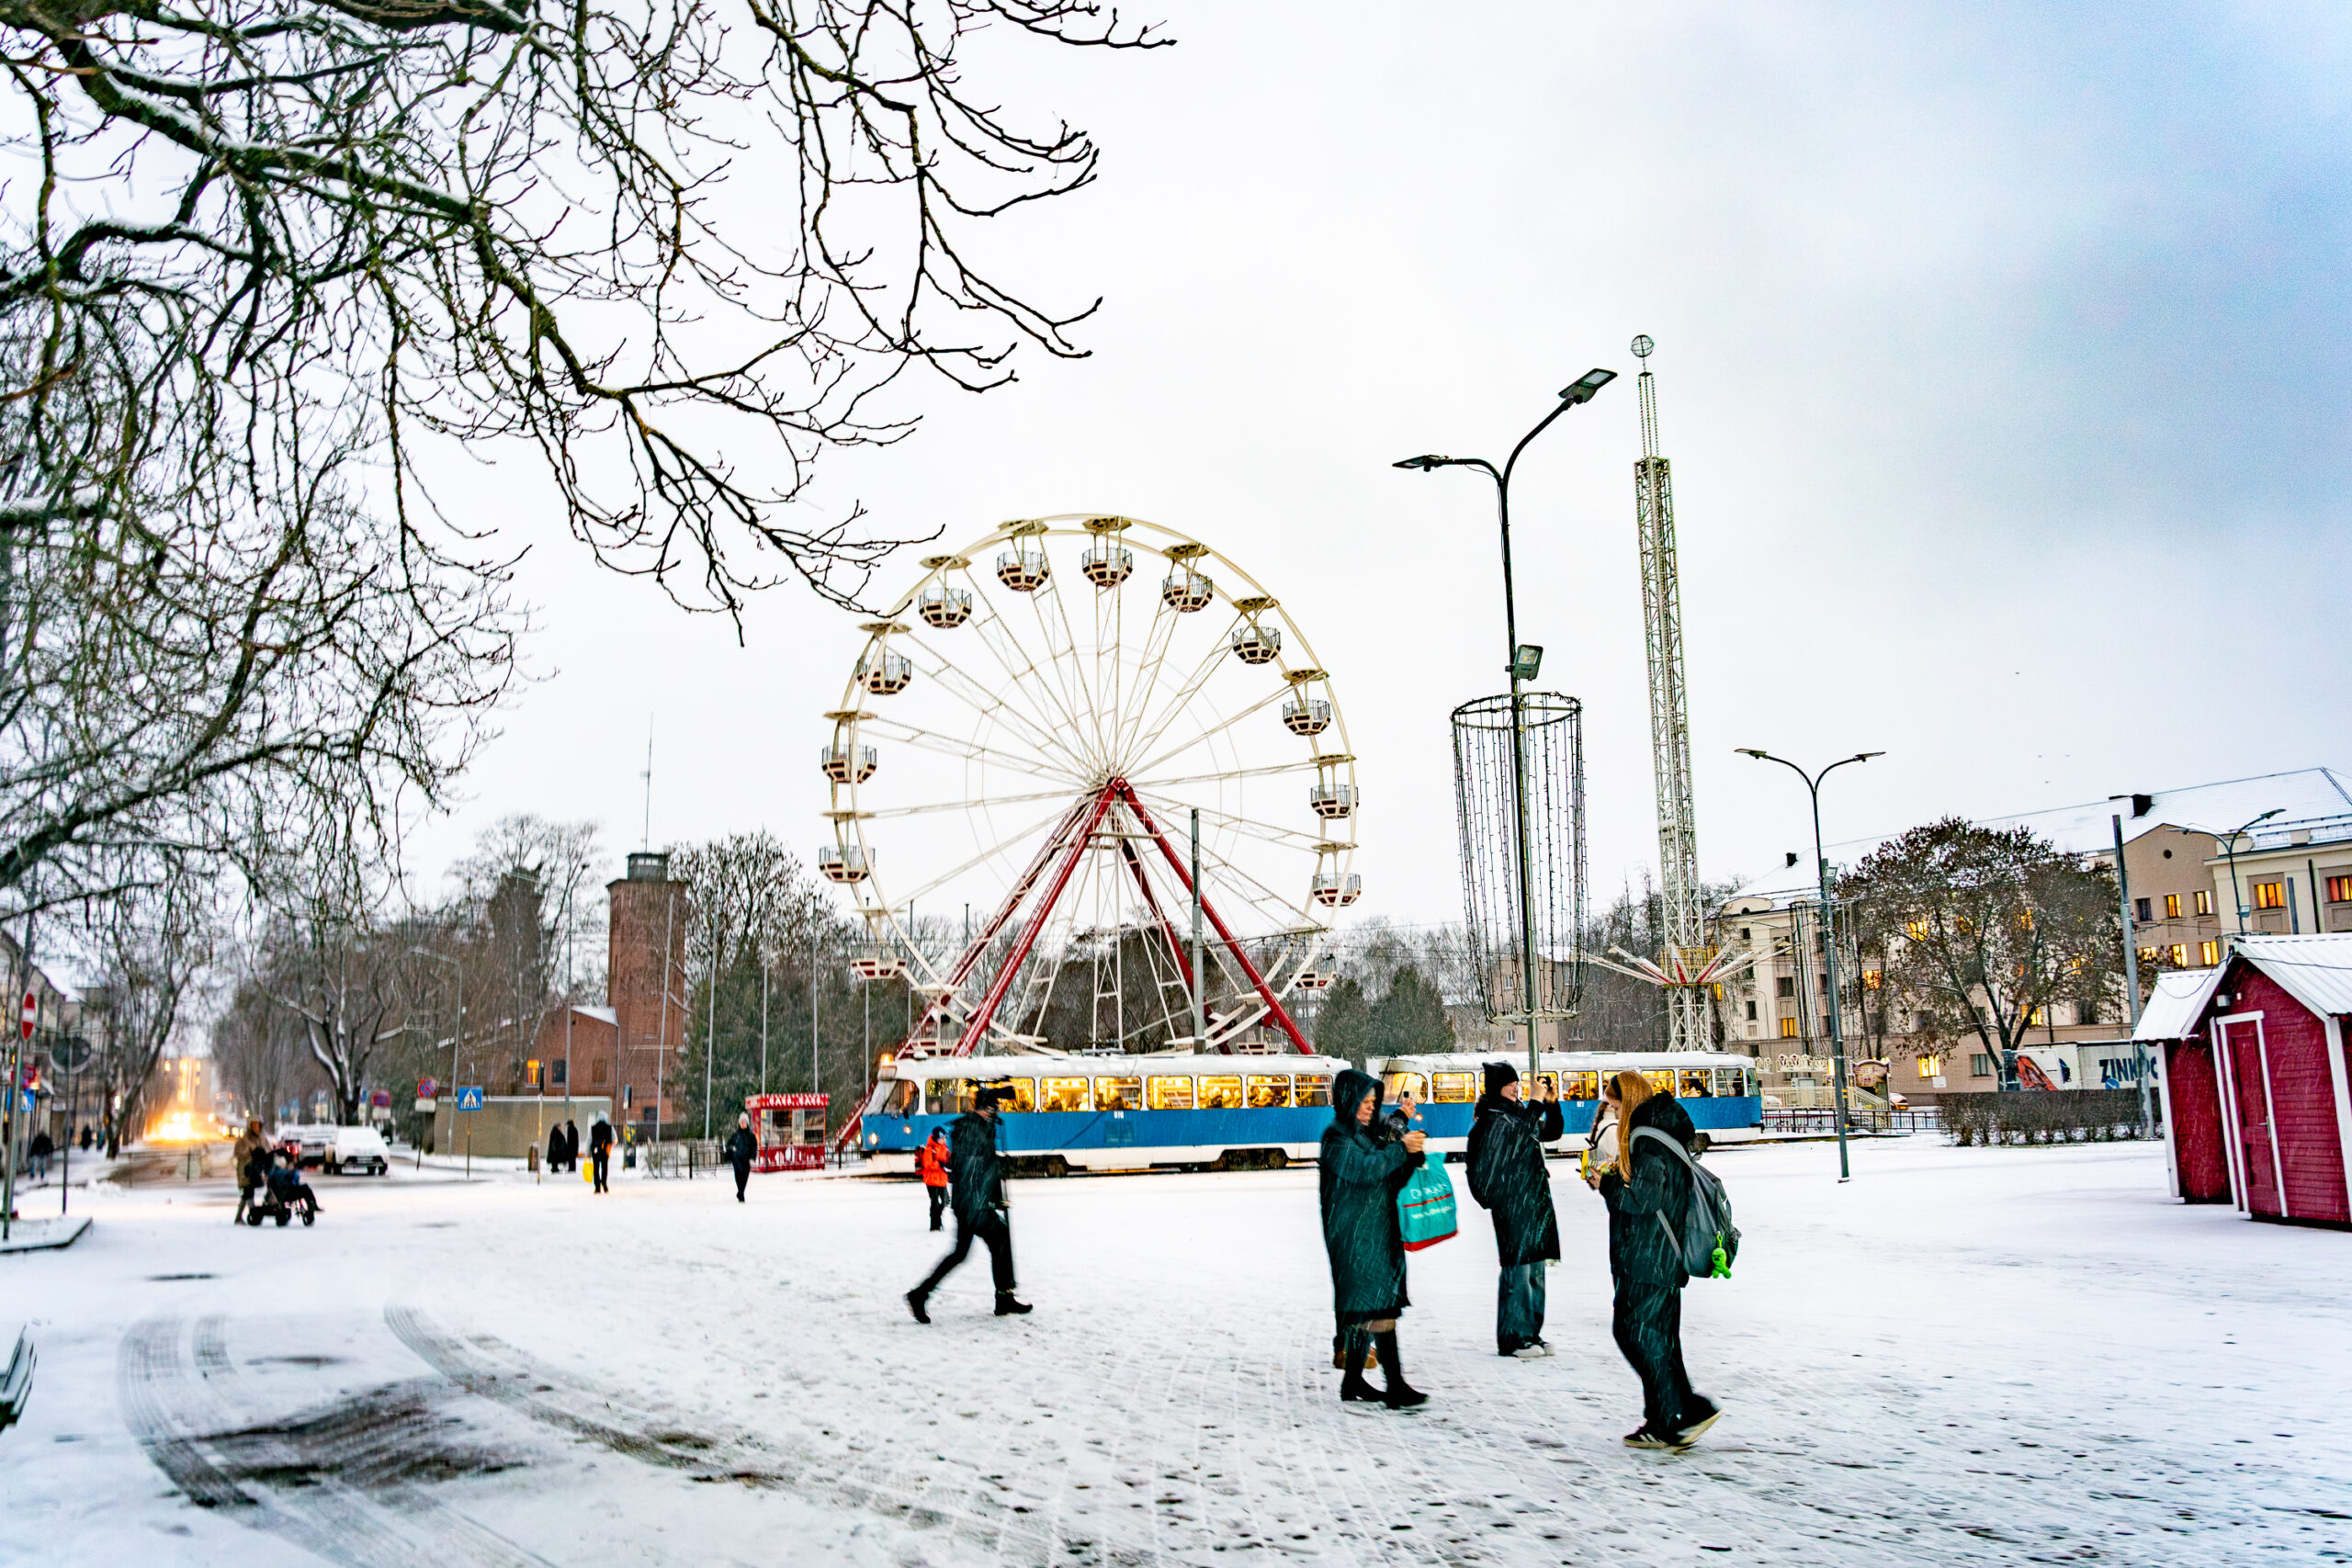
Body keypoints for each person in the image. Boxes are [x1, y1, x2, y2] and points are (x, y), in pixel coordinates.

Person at [1597, 1070, 1720, 1450]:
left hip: (1648, 1256)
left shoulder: (1647, 1138)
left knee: (1635, 1333)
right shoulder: (1659, 1131)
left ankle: (1679, 1411)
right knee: (1658, 1339)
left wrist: (1607, 1184)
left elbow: (1645, 1200)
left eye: (1615, 1105)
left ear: (1629, 1100)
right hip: (1659, 1255)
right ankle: (1667, 1416)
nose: (1612, 1113)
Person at [1320, 1069, 1428, 1409]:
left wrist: (1410, 1156)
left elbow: (1387, 1177)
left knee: (1365, 1308)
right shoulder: (1337, 1138)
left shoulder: (1364, 1135)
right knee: (1378, 1306)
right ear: (1348, 1101)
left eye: (1373, 1102)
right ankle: (1395, 1385)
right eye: (1364, 1102)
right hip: (1353, 1238)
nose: (1370, 1108)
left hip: (1375, 1232)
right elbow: (1365, 1169)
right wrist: (1399, 1151)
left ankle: (1352, 1382)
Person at [907, 1085, 1030, 1322]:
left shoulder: (979, 1128)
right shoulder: (971, 1130)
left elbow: (984, 1165)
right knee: (999, 1238)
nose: (995, 1113)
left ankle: (920, 1294)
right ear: (984, 1109)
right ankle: (1003, 1297)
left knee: (960, 1253)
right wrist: (991, 1183)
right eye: (992, 1109)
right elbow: (973, 1168)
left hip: (972, 1203)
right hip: (972, 1204)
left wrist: (994, 1194)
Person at [1466, 1062, 1564, 1359]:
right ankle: (1511, 1338)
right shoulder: (1493, 1118)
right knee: (1518, 1270)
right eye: (1510, 1084)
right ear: (1497, 1087)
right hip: (1512, 1204)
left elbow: (1552, 1133)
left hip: (1532, 1201)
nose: (1516, 1087)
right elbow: (1517, 1143)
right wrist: (1535, 1103)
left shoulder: (1517, 1112)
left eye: (1516, 1083)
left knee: (1535, 1270)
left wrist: (1551, 1104)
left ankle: (1531, 1332)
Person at [232, 1119, 270, 1224]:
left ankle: (241, 1216)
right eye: (255, 1126)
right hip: (246, 1169)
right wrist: (249, 1151)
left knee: (247, 1193)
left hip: (256, 1169)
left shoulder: (261, 1139)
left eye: (258, 1126)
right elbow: (238, 1153)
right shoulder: (244, 1140)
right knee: (247, 1191)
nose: (257, 1128)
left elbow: (267, 1150)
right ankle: (252, 1213)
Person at [267, 1149, 319, 1221]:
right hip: (285, 1194)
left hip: (286, 1192)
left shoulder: (278, 1170)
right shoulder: (277, 1172)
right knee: (305, 1189)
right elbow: (284, 1182)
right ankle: (312, 1205)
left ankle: (312, 1205)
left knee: (304, 1188)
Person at [917, 1127, 952, 1232]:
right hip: (931, 1181)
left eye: (944, 1138)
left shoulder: (945, 1149)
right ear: (936, 1138)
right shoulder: (929, 1150)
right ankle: (935, 1224)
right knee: (935, 1203)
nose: (943, 1140)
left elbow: (948, 1161)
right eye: (942, 1138)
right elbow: (927, 1164)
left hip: (942, 1180)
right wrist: (940, 1164)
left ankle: (938, 1218)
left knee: (946, 1200)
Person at [724, 1113, 758, 1202]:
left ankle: (740, 1192)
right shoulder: (736, 1135)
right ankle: (741, 1194)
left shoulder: (751, 1136)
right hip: (737, 1159)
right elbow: (729, 1145)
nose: (743, 1124)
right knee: (738, 1177)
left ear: (747, 1123)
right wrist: (732, 1149)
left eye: (744, 1122)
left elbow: (754, 1148)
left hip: (746, 1160)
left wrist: (752, 1158)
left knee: (745, 1177)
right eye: (741, 1122)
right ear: (739, 1123)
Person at [589, 1115, 615, 1193]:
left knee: (596, 1168)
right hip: (605, 1151)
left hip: (595, 1151)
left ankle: (597, 1187)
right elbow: (614, 1139)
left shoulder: (593, 1128)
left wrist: (588, 1152)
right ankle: (604, 1183)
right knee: (604, 1167)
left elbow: (589, 1140)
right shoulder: (609, 1127)